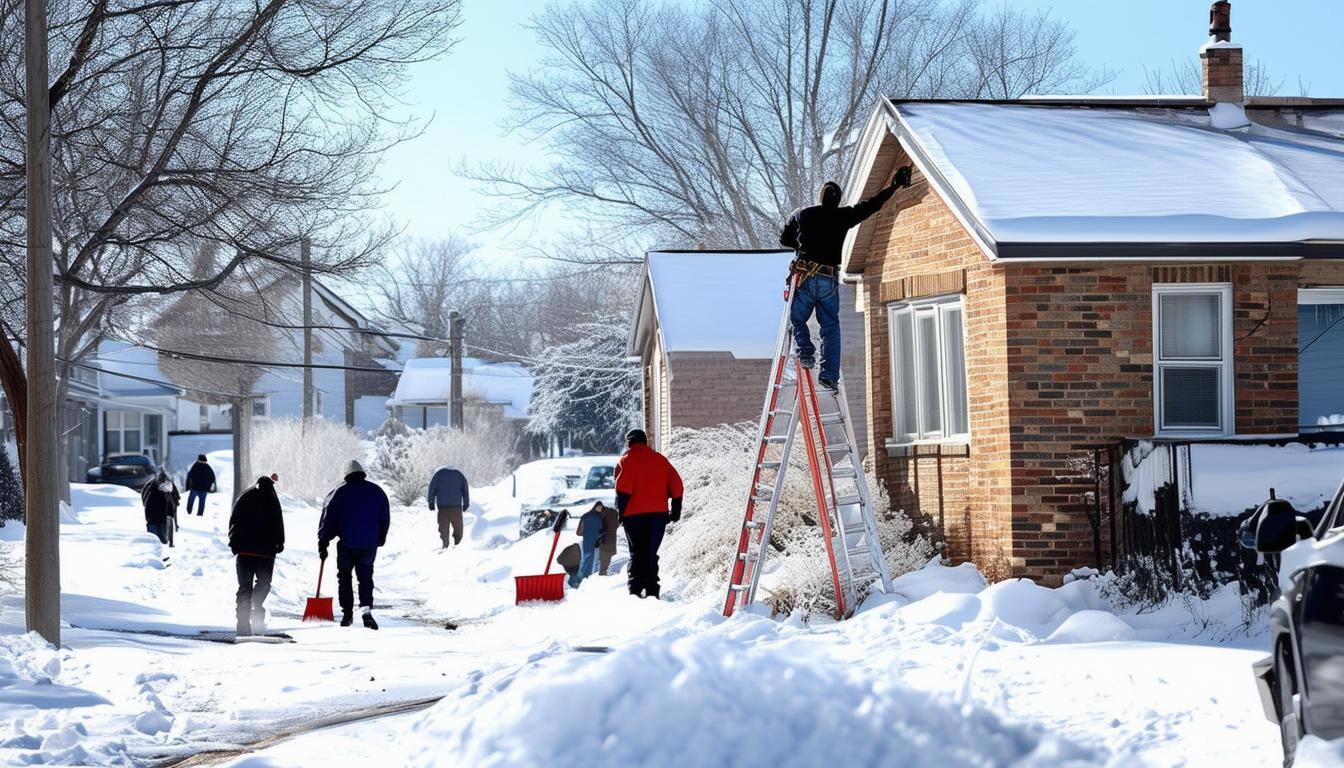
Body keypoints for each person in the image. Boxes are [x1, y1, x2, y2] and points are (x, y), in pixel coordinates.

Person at [779, 166, 913, 391]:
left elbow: (784, 238)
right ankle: (829, 375)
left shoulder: (803, 215)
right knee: (830, 327)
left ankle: (805, 352)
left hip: (806, 277)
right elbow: (871, 205)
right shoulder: (843, 217)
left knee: (798, 318)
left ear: (821, 197)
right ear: (838, 200)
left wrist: (801, 246)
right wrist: (895, 184)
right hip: (829, 280)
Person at [318, 460, 391, 630]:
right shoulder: (377, 492)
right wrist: (380, 538)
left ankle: (347, 613)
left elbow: (329, 517)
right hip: (369, 544)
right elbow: (384, 518)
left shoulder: (339, 491)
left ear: (347, 474)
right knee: (365, 576)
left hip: (347, 544)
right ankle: (366, 611)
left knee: (344, 577)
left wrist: (324, 540)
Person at [614, 429, 683, 599]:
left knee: (637, 552)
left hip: (633, 516)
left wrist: (620, 514)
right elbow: (677, 486)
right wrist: (675, 511)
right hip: (658, 516)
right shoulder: (661, 460)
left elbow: (623, 490)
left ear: (628, 443)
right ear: (645, 442)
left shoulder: (625, 461)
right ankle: (652, 589)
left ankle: (635, 589)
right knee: (650, 552)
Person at [228, 474, 285, 637]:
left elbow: (234, 521)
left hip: (245, 552)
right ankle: (255, 608)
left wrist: (234, 543)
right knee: (264, 584)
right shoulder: (272, 499)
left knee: (244, 588)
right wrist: (279, 544)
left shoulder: (245, 496)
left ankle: (243, 624)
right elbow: (278, 523)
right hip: (266, 554)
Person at [427, 465, 470, 549]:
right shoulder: (459, 475)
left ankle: (445, 545)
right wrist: (466, 503)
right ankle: (457, 546)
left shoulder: (438, 474)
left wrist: (431, 502)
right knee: (458, 530)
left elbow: (431, 488)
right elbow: (465, 490)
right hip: (456, 507)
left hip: (443, 507)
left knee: (443, 529)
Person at [141, 469, 180, 547]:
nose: (166, 490)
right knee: (153, 539)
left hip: (162, 518)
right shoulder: (152, 492)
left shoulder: (169, 492)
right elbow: (146, 504)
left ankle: (167, 544)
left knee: (162, 540)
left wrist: (171, 516)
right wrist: (148, 518)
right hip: (153, 519)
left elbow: (173, 503)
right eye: (164, 488)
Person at [573, 501, 606, 588]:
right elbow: (603, 531)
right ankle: (590, 581)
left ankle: (580, 580)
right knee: (596, 561)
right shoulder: (601, 518)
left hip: (587, 541)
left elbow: (579, 532)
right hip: (596, 542)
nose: (600, 509)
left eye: (601, 508)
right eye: (599, 508)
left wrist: (587, 533)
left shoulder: (586, 516)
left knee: (585, 560)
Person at [598, 500, 620, 576]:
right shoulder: (614, 513)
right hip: (613, 541)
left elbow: (600, 528)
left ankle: (602, 576)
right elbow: (617, 524)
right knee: (611, 562)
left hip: (604, 542)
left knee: (603, 564)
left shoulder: (602, 515)